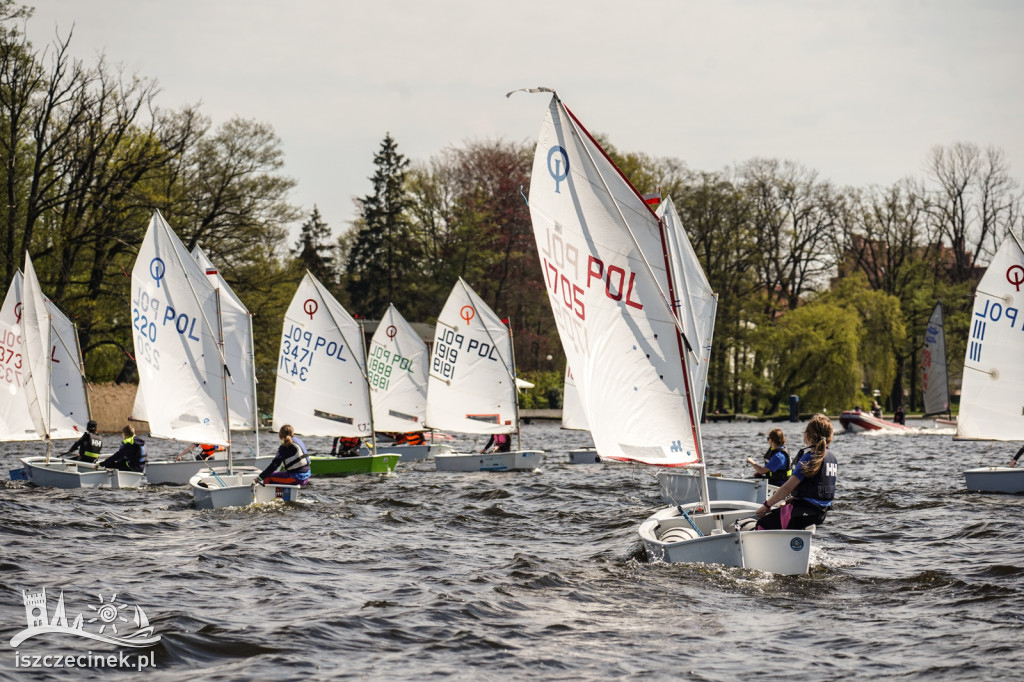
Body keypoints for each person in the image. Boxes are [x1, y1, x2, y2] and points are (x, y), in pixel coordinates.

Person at [755, 413, 836, 531]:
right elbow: (814, 489)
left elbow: (786, 488)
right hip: (820, 513)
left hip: (804, 511)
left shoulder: (809, 457)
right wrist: (788, 501)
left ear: (807, 435)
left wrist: (766, 506)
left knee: (762, 523)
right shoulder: (832, 458)